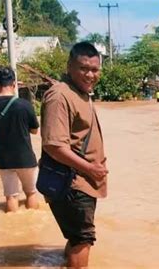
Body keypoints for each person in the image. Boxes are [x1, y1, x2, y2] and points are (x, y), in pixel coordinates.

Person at [40, 42, 109, 268]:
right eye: (83, 68)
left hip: (83, 181)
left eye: (95, 69)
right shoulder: (60, 96)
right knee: (83, 238)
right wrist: (89, 168)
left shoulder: (81, 93)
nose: (90, 74)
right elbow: (54, 146)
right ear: (69, 66)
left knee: (77, 237)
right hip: (72, 182)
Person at [0, 67, 39, 213]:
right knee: (31, 192)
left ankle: (12, 221)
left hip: (4, 159)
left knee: (11, 197)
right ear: (14, 84)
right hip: (26, 158)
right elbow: (35, 131)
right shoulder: (25, 105)